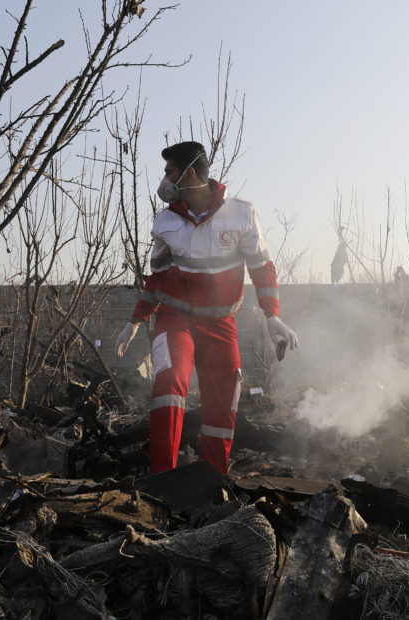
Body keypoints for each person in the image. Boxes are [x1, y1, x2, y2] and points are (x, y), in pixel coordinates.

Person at [115, 141, 298, 475]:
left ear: (191, 173)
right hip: (175, 319)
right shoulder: (165, 223)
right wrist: (136, 320)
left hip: (220, 322)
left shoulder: (241, 213)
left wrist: (272, 315)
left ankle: (212, 480)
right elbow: (156, 278)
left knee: (225, 394)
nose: (165, 181)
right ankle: (163, 480)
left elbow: (261, 267)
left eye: (170, 172)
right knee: (170, 382)